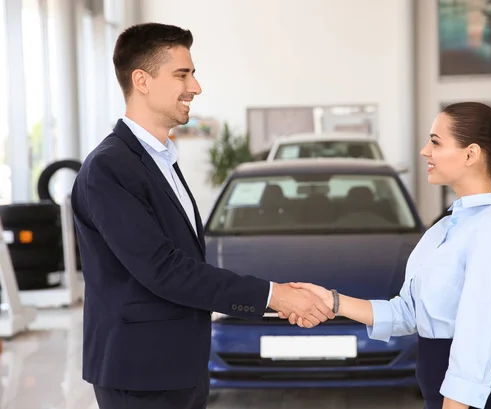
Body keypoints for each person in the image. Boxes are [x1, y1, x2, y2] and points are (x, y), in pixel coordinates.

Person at [70, 22, 334, 409]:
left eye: (192, 74)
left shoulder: (159, 160)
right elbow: (164, 269)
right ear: (141, 80)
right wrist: (274, 296)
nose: (195, 87)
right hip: (141, 372)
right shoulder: (110, 168)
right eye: (183, 74)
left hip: (180, 365)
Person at [281, 102, 491, 409]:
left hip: (465, 403)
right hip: (441, 395)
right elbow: (408, 313)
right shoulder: (446, 227)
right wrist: (333, 302)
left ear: (470, 154)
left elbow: (478, 337)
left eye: (436, 142)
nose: (424, 151)